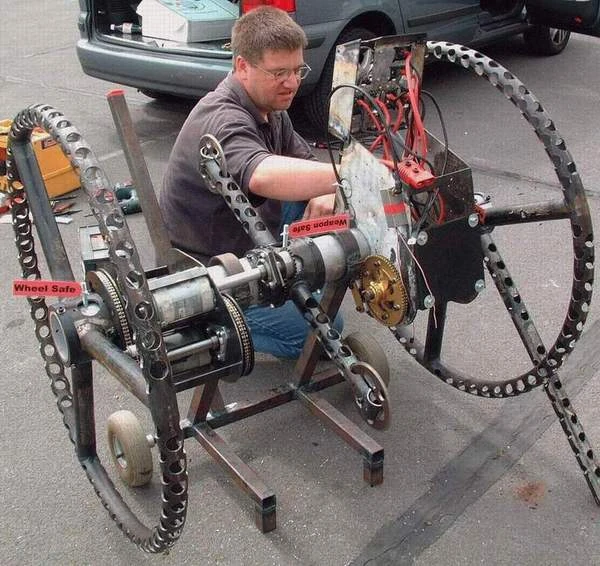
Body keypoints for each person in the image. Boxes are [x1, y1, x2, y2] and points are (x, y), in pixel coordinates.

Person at [160, 6, 341, 358]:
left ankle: (295, 281)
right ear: (242, 66)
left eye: (297, 70)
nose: (293, 83)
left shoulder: (270, 108)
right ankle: (200, 325)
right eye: (279, 73)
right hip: (212, 268)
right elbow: (263, 174)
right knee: (320, 332)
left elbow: (303, 164)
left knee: (328, 202)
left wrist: (326, 189)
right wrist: (346, 175)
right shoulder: (222, 118)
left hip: (248, 232)